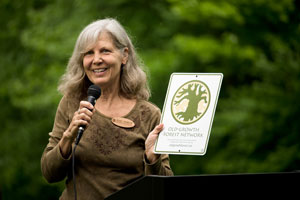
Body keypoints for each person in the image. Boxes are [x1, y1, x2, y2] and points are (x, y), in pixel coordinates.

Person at [41, 18, 173, 200]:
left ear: (124, 55)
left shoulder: (149, 114)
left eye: (105, 51)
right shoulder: (71, 103)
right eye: (88, 53)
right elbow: (49, 174)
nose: (96, 60)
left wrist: (152, 159)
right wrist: (67, 138)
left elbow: (165, 188)